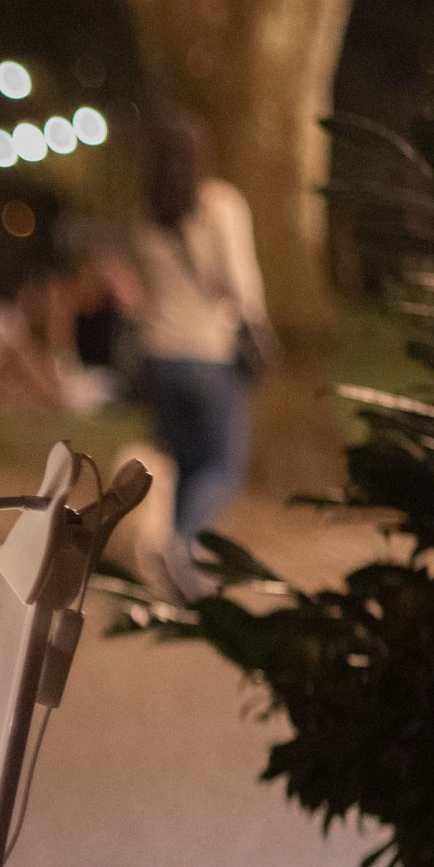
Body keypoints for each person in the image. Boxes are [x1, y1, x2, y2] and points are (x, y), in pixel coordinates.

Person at [126, 105, 273, 563]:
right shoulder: (220, 205)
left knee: (183, 467)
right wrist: (258, 326)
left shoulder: (144, 216)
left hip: (158, 356)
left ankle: (177, 563)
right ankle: (182, 545)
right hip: (210, 355)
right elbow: (241, 284)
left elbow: (143, 291)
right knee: (223, 470)